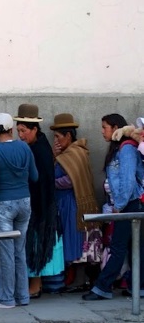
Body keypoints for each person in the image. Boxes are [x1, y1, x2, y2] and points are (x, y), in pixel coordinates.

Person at [82, 113, 144, 301]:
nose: (102, 131)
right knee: (136, 248)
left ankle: (102, 287)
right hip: (133, 204)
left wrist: (119, 205)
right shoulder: (121, 149)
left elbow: (127, 182)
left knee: (118, 247)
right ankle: (138, 287)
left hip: (131, 204)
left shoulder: (126, 150)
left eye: (104, 127)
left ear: (115, 128)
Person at [0, 113, 38, 309]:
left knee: (5, 251)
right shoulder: (24, 147)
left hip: (3, 203)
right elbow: (35, 176)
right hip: (24, 201)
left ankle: (5, 298)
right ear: (12, 129)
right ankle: (22, 295)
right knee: (19, 250)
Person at [14, 104, 64, 297]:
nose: (20, 135)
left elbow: (41, 182)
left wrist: (38, 210)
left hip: (40, 205)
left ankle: (35, 286)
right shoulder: (35, 146)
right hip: (36, 204)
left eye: (24, 131)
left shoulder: (39, 150)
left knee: (36, 245)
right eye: (18, 130)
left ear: (35, 129)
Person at [49, 113, 100, 291]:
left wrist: (49, 182)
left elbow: (70, 180)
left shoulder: (75, 153)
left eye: (58, 136)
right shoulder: (66, 154)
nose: (55, 140)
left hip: (73, 204)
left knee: (75, 240)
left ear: (68, 136)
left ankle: (79, 279)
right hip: (66, 203)